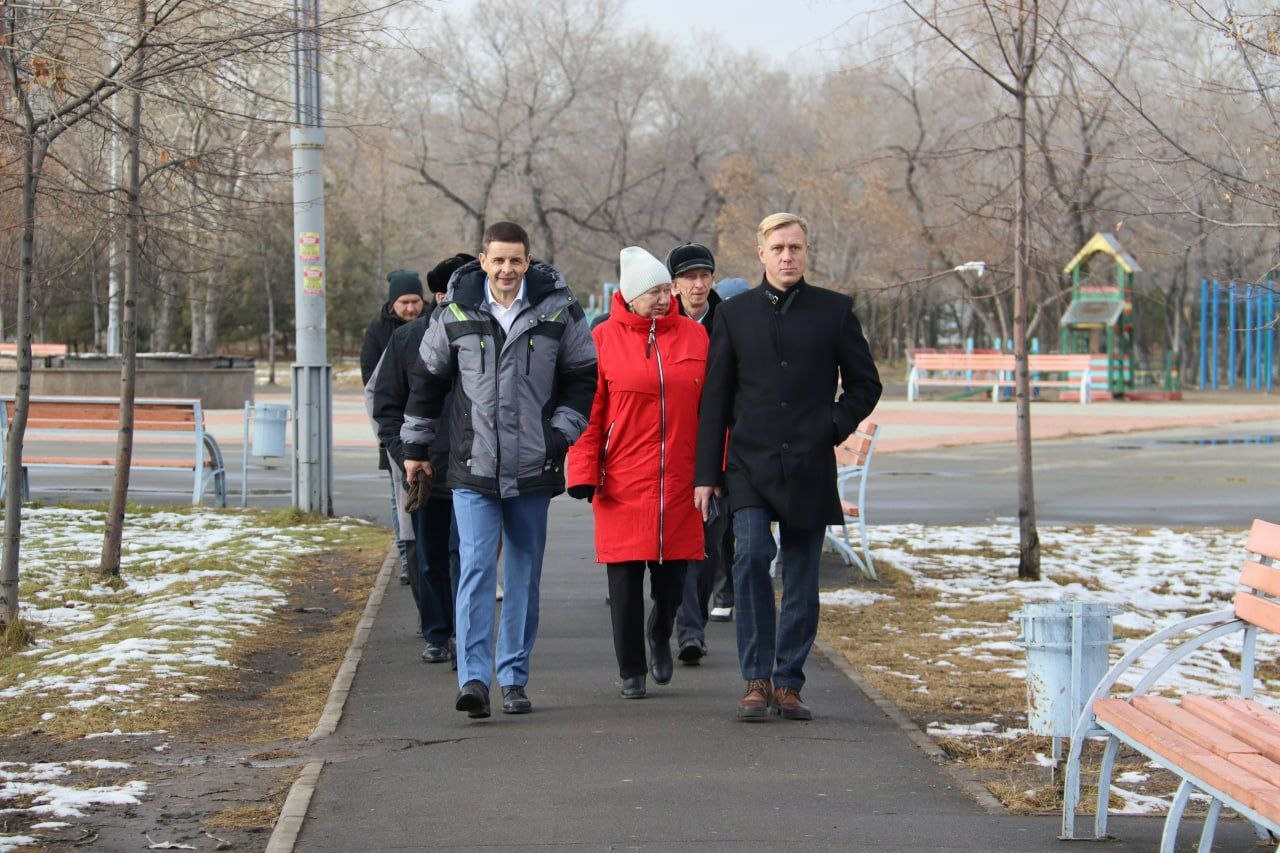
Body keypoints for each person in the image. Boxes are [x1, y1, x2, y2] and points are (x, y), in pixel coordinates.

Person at [402, 222, 597, 719]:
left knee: (524, 575)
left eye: (516, 260)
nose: (507, 269)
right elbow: (426, 383)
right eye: (498, 260)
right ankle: (473, 678)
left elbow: (582, 376)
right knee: (474, 571)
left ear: (528, 262)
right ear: (483, 262)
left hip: (534, 466)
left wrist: (561, 433)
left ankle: (513, 677)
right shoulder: (455, 311)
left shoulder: (559, 308)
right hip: (473, 468)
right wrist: (415, 448)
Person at [694, 212, 882, 722]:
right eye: (778, 248)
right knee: (751, 556)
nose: (787, 256)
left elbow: (866, 384)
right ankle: (756, 679)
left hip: (808, 463)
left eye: (795, 247)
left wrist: (831, 424)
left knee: (801, 575)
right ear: (761, 253)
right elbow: (715, 399)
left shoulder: (835, 311)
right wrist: (706, 475)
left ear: (806, 251)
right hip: (749, 464)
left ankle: (789, 682)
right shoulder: (734, 314)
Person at [566, 247, 708, 699]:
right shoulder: (603, 338)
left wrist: (715, 470)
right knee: (624, 581)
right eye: (653, 292)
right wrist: (584, 470)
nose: (665, 298)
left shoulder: (695, 338)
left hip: (681, 479)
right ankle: (631, 669)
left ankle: (660, 633)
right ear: (629, 296)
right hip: (623, 479)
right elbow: (589, 413)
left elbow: (713, 410)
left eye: (667, 289)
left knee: (672, 580)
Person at [369, 254, 473, 665]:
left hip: (474, 469)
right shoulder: (409, 339)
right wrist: (407, 456)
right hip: (426, 469)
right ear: (440, 295)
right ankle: (437, 632)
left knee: (468, 557)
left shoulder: (487, 336)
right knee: (428, 556)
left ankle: (468, 634)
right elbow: (388, 406)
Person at [664, 242, 728, 666]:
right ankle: (678, 626)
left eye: (704, 275)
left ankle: (693, 624)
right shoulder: (659, 324)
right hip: (670, 449)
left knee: (707, 546)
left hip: (719, 451)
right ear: (674, 285)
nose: (698, 284)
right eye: (689, 277)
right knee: (675, 547)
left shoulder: (729, 323)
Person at [361, 270, 426, 585]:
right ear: (392, 303)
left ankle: (417, 558)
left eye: (416, 301)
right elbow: (373, 386)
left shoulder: (430, 328)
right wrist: (386, 433)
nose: (411, 308)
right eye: (405, 302)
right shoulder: (377, 334)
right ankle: (406, 559)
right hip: (394, 432)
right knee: (397, 498)